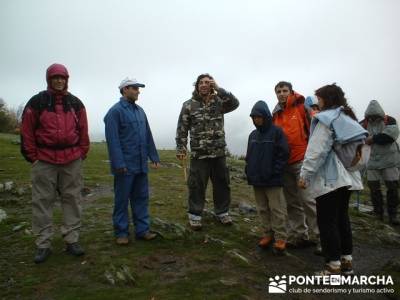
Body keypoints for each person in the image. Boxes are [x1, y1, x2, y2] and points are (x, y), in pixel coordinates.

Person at [21, 63, 89, 263]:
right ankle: (43, 244)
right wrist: (33, 157)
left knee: (73, 199)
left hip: (72, 160)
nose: (59, 81)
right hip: (44, 160)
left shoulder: (76, 103)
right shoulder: (37, 102)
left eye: (62, 78)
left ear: (67, 80)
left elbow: (83, 131)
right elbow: (27, 131)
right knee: (42, 201)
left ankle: (72, 239)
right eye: (55, 78)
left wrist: (81, 153)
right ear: (49, 79)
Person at [299, 83, 367, 275]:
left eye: (319, 98)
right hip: (349, 178)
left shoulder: (326, 119)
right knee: (342, 219)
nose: (317, 102)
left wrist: (305, 175)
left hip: (330, 179)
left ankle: (333, 266)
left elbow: (316, 151)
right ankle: (346, 262)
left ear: (327, 99)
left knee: (327, 221)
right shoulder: (346, 117)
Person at [176, 74, 239, 230]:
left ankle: (222, 212)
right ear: (197, 86)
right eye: (201, 83)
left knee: (222, 184)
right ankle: (195, 215)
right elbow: (182, 128)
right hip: (199, 154)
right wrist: (181, 147)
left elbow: (235, 103)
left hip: (219, 153)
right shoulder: (189, 105)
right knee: (196, 185)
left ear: (211, 85)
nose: (204, 85)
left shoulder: (219, 102)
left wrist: (218, 88)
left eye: (207, 82)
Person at [104, 77, 160, 245]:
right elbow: (113, 141)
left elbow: (147, 135)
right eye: (135, 88)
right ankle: (121, 233)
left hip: (141, 164)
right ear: (125, 89)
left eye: (138, 88)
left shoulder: (140, 111)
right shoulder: (115, 112)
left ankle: (142, 230)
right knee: (122, 200)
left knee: (141, 197)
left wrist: (154, 156)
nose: (138, 91)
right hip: (125, 166)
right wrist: (119, 163)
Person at [272, 81, 319, 249]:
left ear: (291, 92)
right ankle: (299, 235)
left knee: (308, 200)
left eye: (285, 90)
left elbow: (315, 127)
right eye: (278, 91)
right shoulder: (275, 114)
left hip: (302, 160)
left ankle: (320, 237)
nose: (282, 94)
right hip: (284, 163)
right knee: (292, 202)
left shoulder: (301, 107)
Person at [245, 101, 289, 253]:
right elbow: (249, 156)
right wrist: (248, 171)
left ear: (266, 116)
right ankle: (267, 235)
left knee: (277, 209)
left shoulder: (277, 132)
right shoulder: (253, 135)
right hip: (257, 180)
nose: (256, 119)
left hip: (272, 180)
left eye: (259, 116)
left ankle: (281, 238)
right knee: (262, 209)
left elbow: (283, 155)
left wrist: (275, 172)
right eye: (254, 117)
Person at [361, 100, 400, 225]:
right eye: (370, 116)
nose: (372, 118)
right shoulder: (363, 123)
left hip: (389, 160)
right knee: (374, 188)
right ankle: (378, 213)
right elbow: (358, 138)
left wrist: (372, 138)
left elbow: (389, 137)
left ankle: (393, 214)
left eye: (375, 116)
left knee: (392, 187)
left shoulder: (390, 120)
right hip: (372, 161)